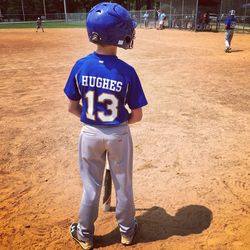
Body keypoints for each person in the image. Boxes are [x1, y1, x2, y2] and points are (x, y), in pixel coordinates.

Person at [64, 2, 148, 250]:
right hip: (119, 133)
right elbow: (138, 115)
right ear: (117, 35)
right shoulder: (127, 71)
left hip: (89, 134)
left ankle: (85, 235)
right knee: (124, 184)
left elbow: (71, 107)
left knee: (91, 187)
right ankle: (126, 232)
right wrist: (118, 125)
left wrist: (93, 122)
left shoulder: (80, 65)